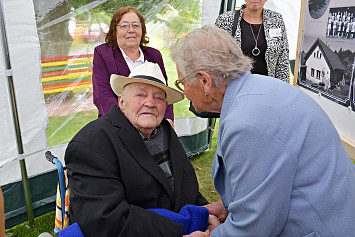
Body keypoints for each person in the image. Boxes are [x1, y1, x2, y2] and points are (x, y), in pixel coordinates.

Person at [171, 25, 355, 236]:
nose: (183, 92)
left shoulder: (247, 123)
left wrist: (208, 235)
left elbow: (253, 229)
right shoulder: (257, 89)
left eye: (182, 82)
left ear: (205, 82)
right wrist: (226, 205)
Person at [65, 62, 208, 237]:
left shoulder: (165, 130)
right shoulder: (91, 144)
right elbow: (105, 219)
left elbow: (186, 186)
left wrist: (207, 213)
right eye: (140, 94)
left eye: (158, 98)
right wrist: (179, 233)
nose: (150, 103)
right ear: (122, 102)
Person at [92, 7, 174, 123]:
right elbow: (102, 95)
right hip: (116, 124)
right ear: (114, 30)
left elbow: (164, 93)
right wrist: (126, 123)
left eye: (136, 25)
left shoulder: (154, 55)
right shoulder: (103, 53)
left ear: (142, 29)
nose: (131, 30)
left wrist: (168, 121)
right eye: (124, 26)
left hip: (152, 123)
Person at [215, 0, 290, 82]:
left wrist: (283, 90)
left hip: (267, 88)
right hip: (235, 87)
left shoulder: (276, 19)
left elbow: (283, 60)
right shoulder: (225, 20)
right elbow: (216, 59)